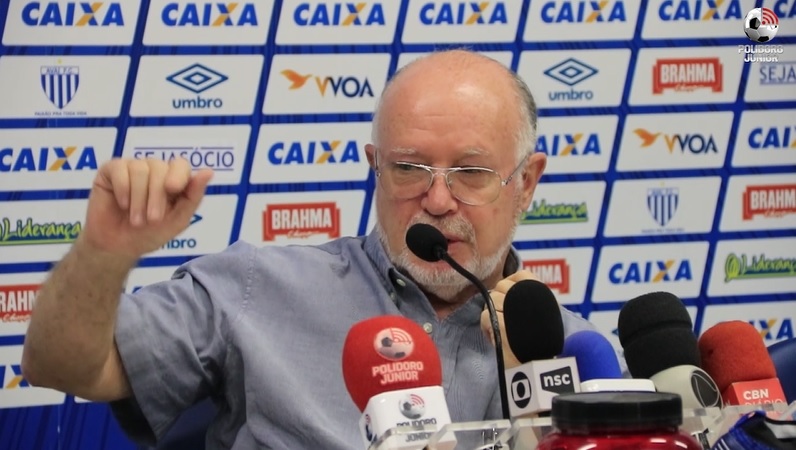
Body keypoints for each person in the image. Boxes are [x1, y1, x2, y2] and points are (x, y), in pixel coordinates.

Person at [22, 49, 615, 449]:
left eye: (471, 172)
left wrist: (537, 392)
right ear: (375, 168)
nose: (437, 200)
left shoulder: (577, 356)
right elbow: (63, 365)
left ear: (526, 183)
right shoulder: (258, 287)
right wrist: (102, 252)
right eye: (408, 168)